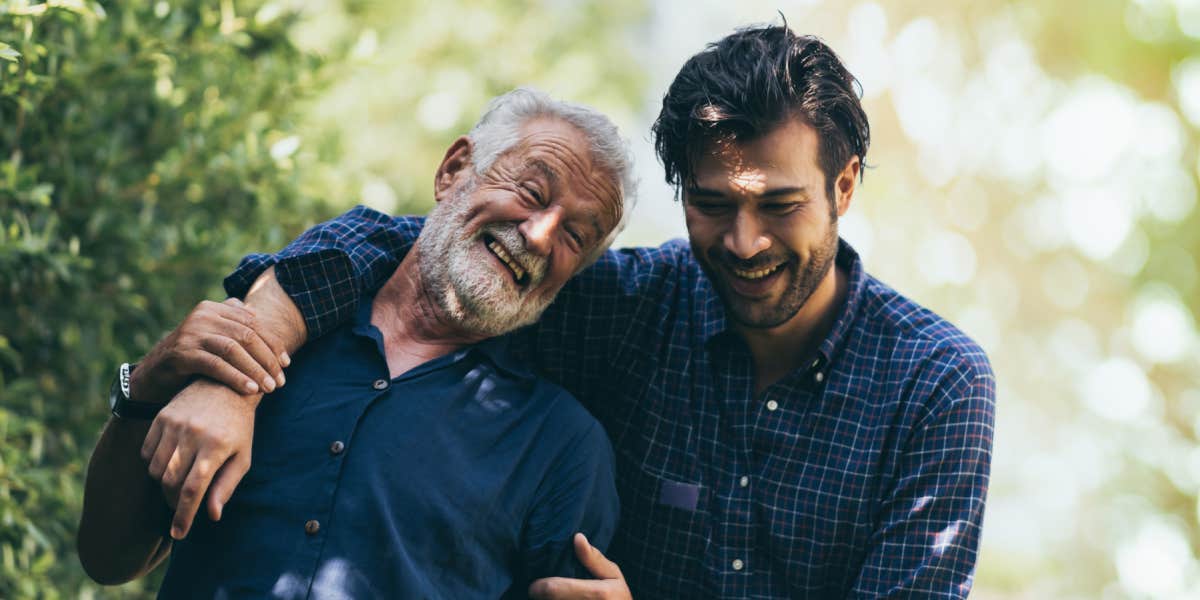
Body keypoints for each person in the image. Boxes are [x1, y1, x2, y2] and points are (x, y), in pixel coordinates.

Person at [133, 25, 996, 599]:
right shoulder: (628, 308)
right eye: (710, 204)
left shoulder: (936, 386)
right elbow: (417, 249)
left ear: (843, 186)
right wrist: (244, 360)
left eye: (778, 205)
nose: (741, 243)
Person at [76, 88, 637, 598]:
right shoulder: (266, 332)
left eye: (574, 236)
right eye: (531, 191)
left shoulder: (562, 447)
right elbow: (108, 557)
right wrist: (148, 383)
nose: (539, 236)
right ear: (454, 169)